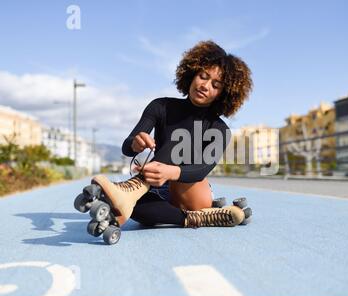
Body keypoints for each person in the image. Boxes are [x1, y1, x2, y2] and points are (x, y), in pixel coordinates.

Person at [90, 40, 253, 228]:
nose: (205, 86)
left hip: (191, 191)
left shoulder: (220, 129)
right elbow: (127, 147)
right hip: (157, 186)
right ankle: (196, 218)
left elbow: (202, 169)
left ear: (223, 94)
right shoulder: (160, 106)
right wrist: (136, 142)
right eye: (203, 76)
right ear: (192, 74)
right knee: (131, 208)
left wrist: (170, 172)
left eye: (215, 85)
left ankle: (132, 187)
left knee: (179, 144)